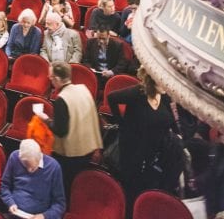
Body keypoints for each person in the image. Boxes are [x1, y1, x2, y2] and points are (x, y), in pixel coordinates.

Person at [108, 67, 179, 207]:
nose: (165, 85)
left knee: (145, 184)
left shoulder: (164, 96)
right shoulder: (137, 93)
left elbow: (169, 120)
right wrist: (121, 124)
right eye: (162, 82)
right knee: (130, 186)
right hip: (133, 148)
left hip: (153, 150)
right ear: (153, 82)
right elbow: (112, 97)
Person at [48, 61, 103, 187]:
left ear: (56, 79)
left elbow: (61, 131)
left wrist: (46, 121)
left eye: (51, 78)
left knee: (66, 185)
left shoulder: (61, 99)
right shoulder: (83, 89)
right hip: (87, 148)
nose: (50, 81)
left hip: (70, 155)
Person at [0, 138, 66, 219]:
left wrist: (44, 216)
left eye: (32, 167)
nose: (29, 170)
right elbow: (4, 185)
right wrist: (10, 203)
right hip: (15, 214)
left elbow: (60, 204)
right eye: (25, 165)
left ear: (39, 157)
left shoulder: (53, 167)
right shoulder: (14, 157)